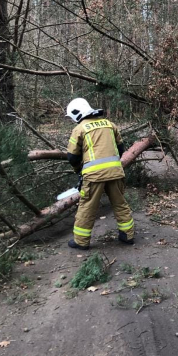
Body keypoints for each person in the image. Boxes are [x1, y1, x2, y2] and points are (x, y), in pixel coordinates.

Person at [64, 98, 133, 249]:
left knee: (87, 207)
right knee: (120, 204)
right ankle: (127, 235)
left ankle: (81, 241)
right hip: (116, 172)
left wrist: (79, 171)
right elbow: (121, 149)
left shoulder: (80, 129)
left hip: (94, 176)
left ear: (77, 113)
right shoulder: (110, 124)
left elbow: (72, 157)